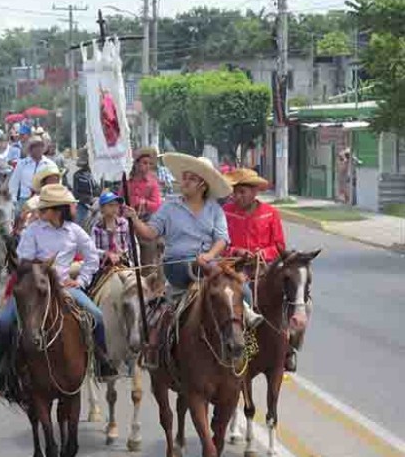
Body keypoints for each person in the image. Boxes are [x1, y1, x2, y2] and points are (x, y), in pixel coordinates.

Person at [124, 152, 263, 329]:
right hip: (177, 264)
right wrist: (134, 219)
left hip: (208, 263)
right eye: (184, 177)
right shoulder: (169, 207)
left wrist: (209, 255)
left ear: (202, 185)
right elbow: (150, 233)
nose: (185, 182)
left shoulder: (214, 209)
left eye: (191, 178)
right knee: (202, 269)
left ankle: (245, 323)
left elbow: (222, 239)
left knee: (243, 290)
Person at [0, 184, 117, 378]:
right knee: (4, 322)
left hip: (63, 287)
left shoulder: (74, 231)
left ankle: (102, 361)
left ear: (58, 210)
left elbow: (92, 256)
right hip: (33, 287)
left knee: (97, 316)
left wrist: (82, 281)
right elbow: (23, 259)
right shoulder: (33, 231)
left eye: (44, 208)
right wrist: (41, 266)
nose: (40, 211)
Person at [223, 168, 294, 366]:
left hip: (265, 267)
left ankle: (288, 347)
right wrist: (236, 251)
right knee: (234, 297)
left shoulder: (271, 213)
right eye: (235, 191)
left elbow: (279, 246)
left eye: (242, 192)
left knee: (292, 296)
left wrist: (263, 253)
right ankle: (239, 343)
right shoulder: (226, 212)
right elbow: (220, 241)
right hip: (235, 268)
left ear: (254, 192)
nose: (237, 196)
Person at [8, 136, 55, 213]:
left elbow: (55, 184)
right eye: (35, 146)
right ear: (30, 149)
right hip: (24, 199)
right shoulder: (22, 163)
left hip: (43, 200)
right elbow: (14, 183)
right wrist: (13, 200)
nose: (38, 148)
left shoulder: (50, 164)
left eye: (40, 146)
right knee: (16, 217)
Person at [91, 191, 132, 267]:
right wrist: (106, 254)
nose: (114, 208)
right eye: (110, 205)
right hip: (104, 265)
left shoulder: (124, 224)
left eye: (116, 205)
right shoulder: (97, 228)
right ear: (102, 208)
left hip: (123, 263)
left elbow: (131, 245)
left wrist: (123, 253)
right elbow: (93, 250)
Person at [121, 147, 162, 221]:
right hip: (127, 218)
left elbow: (157, 205)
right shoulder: (127, 182)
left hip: (146, 219)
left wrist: (144, 203)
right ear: (136, 164)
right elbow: (120, 200)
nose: (148, 166)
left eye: (150, 164)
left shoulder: (152, 183)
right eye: (145, 163)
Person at [72, 147, 100, 225]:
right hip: (84, 205)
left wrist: (98, 200)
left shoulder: (99, 174)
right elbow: (76, 194)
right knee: (78, 224)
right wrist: (90, 200)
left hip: (100, 204)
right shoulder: (77, 175)